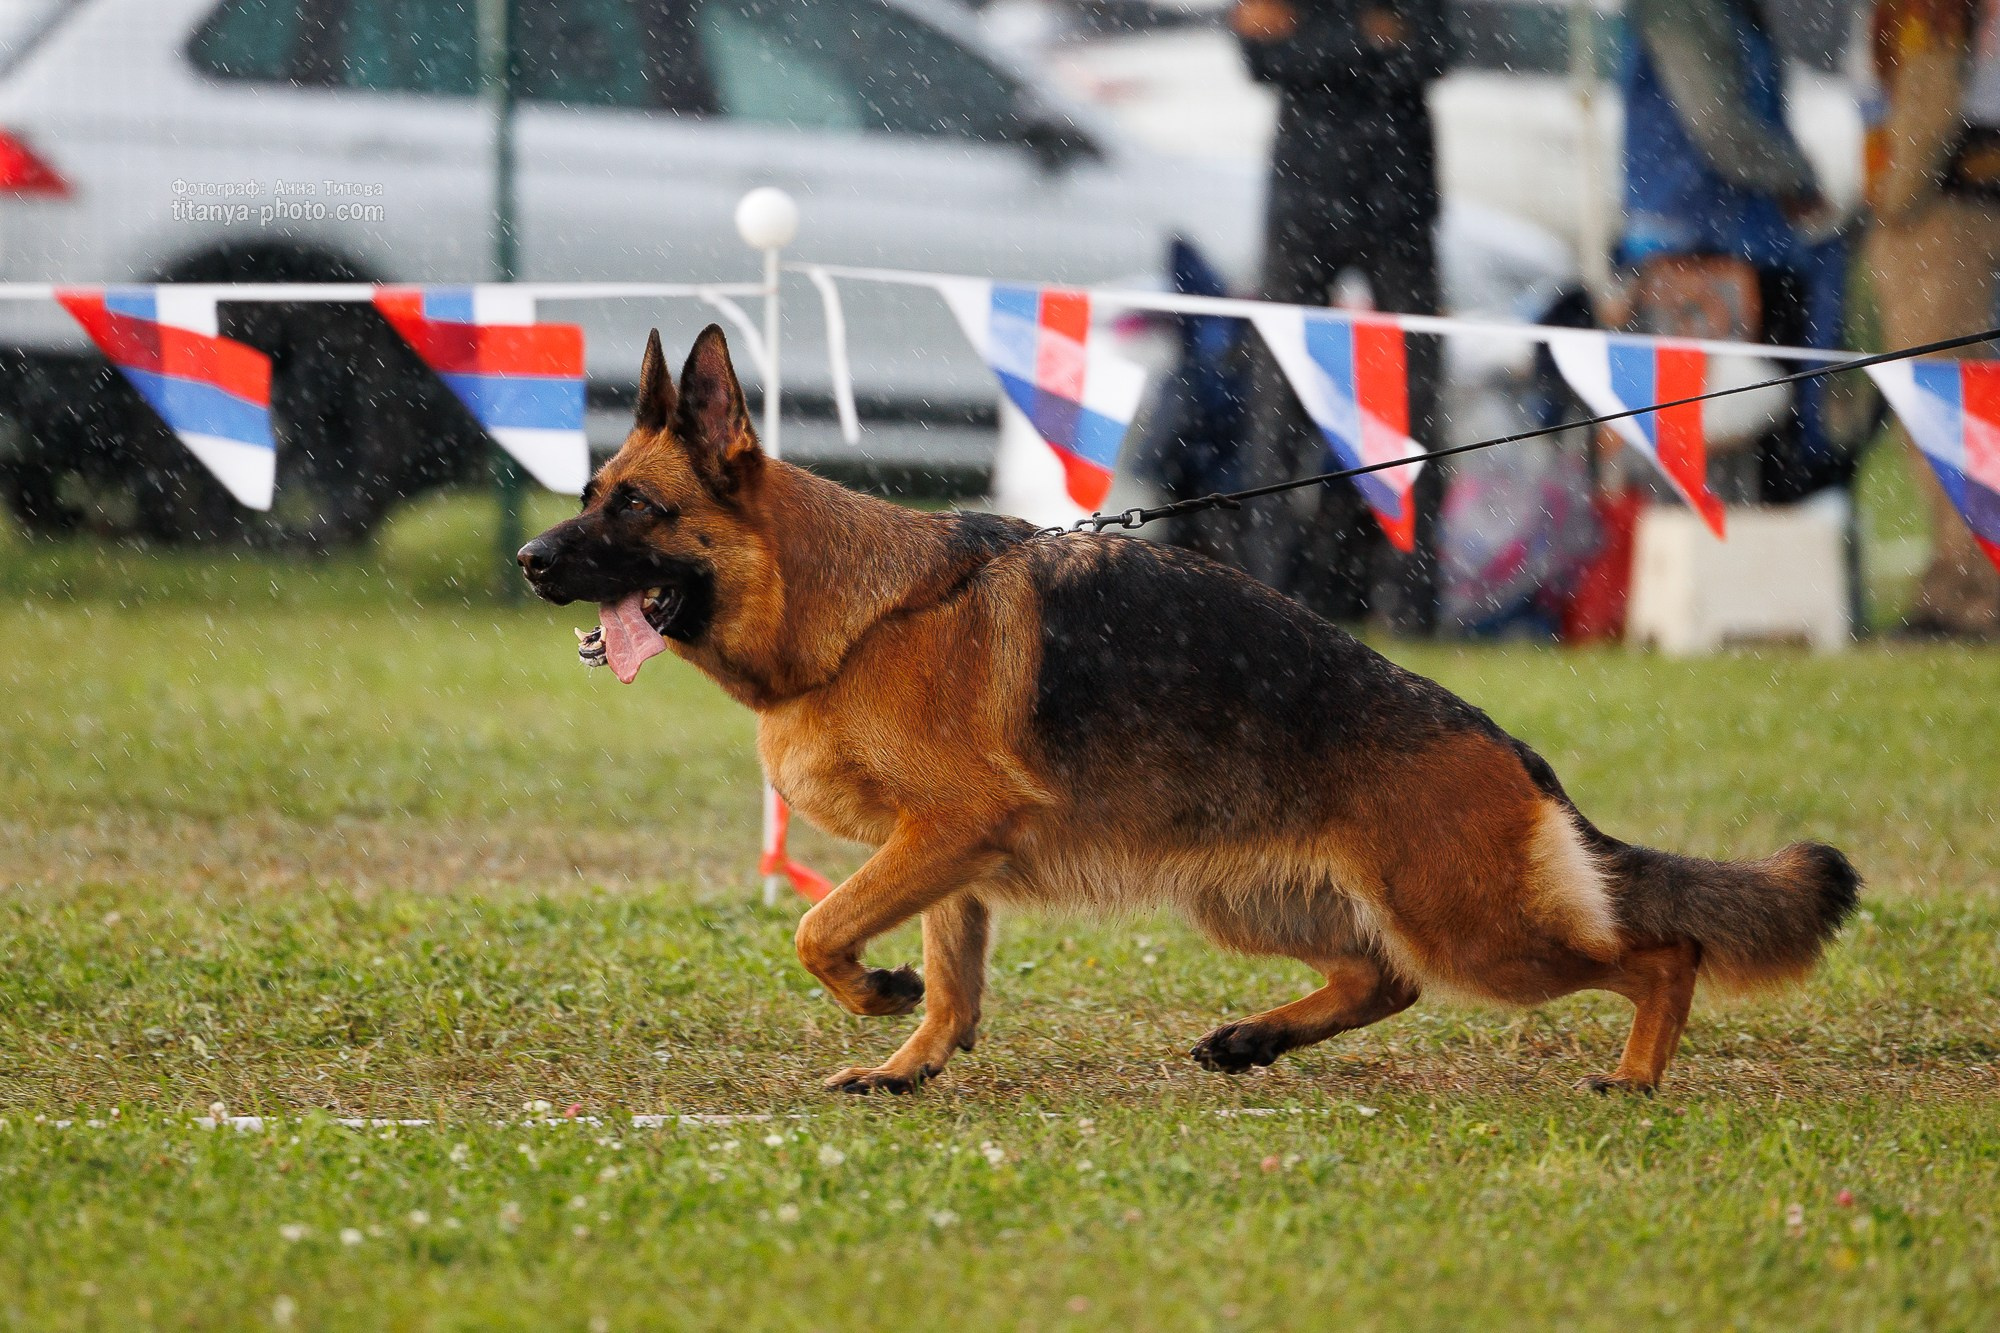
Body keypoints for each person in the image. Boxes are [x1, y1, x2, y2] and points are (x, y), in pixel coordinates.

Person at [1229, 0, 1449, 633]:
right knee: (1278, 409)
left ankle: (1413, 603)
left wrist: (1318, 42)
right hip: (1306, 200)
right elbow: (1259, 57)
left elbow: (1435, 52)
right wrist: (1366, 37)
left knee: (1415, 407)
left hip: (1398, 200)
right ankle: (1268, 600)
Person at [1619, 0, 1844, 504]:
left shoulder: (1733, 14)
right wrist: (1797, 177)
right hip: (1702, 260)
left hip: (1751, 251)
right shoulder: (1679, 14)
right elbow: (1718, 126)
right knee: (1709, 462)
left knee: (1758, 463)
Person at [1864, 0, 2000, 637]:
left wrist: (1889, 198)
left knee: (1949, 409)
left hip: (1940, 217)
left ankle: (1971, 593)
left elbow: (1930, 104)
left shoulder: (1929, 9)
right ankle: (1959, 582)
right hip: (1947, 207)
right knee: (1946, 410)